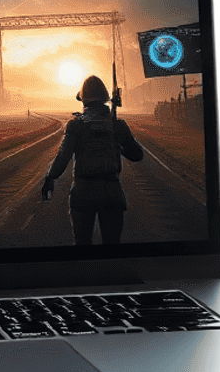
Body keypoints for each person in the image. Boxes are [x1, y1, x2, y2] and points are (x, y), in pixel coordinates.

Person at [41, 74, 143, 245]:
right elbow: (137, 156)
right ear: (105, 98)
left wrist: (50, 178)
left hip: (83, 191)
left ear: (83, 99)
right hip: (112, 190)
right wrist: (118, 143)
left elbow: (63, 157)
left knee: (82, 246)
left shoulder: (76, 125)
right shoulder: (117, 124)